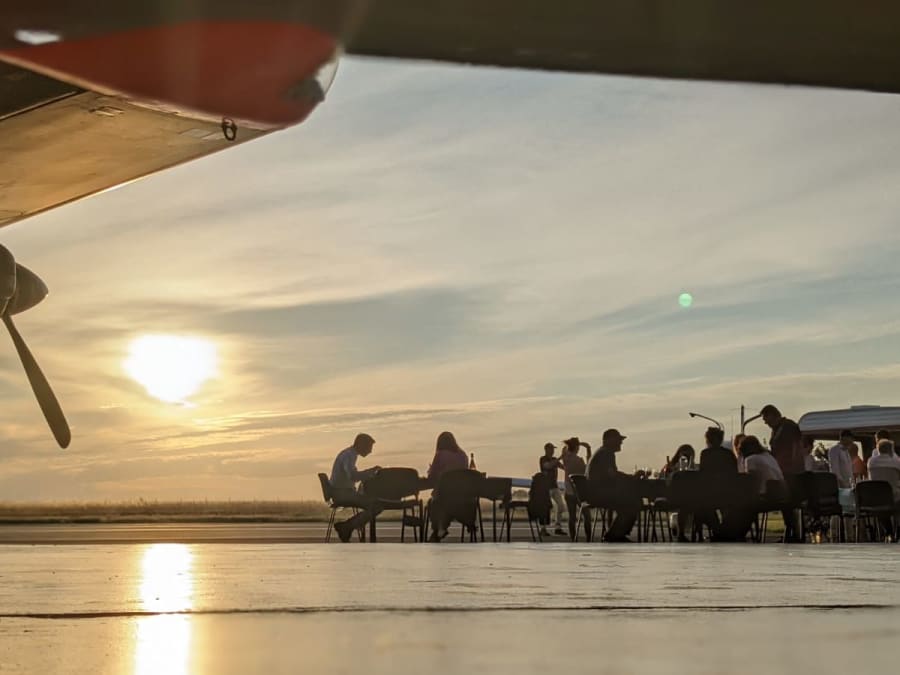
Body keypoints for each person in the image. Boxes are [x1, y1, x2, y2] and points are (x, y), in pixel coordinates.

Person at [587, 428, 639, 542]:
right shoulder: (606, 453)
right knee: (633, 502)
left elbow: (612, 475)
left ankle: (617, 534)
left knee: (629, 501)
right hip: (601, 494)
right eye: (618, 440)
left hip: (597, 492)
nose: (621, 442)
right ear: (609, 440)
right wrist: (632, 478)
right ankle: (614, 535)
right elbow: (613, 475)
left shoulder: (602, 452)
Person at [761, 404, 804, 541]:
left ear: (773, 415)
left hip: (790, 471)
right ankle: (790, 531)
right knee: (786, 504)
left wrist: (794, 469)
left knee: (789, 503)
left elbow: (795, 449)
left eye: (766, 419)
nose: (765, 423)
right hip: (781, 471)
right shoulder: (776, 429)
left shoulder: (789, 427)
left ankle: (793, 533)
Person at [329, 433, 382, 542]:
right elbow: (353, 476)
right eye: (369, 447)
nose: (370, 451)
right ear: (361, 445)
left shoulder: (349, 454)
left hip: (342, 492)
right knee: (377, 505)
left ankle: (348, 526)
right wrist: (370, 471)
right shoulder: (349, 456)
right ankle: (347, 526)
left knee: (374, 504)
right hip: (342, 494)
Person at [426, 431, 470, 541]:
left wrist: (431, 470)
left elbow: (432, 477)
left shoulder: (440, 455)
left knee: (434, 503)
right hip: (462, 498)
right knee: (445, 503)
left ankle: (439, 529)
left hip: (443, 497)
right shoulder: (463, 455)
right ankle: (441, 528)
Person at [697, 427, 737, 538]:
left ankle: (717, 530)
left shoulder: (705, 454)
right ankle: (722, 530)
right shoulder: (729, 454)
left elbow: (703, 474)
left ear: (709, 440)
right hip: (729, 494)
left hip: (711, 494)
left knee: (700, 506)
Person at [866, 439, 900, 540]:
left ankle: (888, 531)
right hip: (893, 495)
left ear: (878, 449)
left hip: (877, 497)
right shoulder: (896, 462)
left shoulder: (871, 462)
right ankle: (898, 528)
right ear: (891, 450)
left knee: (882, 505)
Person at [560, 437, 591, 541]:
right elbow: (588, 470)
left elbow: (564, 450)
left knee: (572, 517)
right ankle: (588, 538)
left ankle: (573, 538)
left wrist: (574, 444)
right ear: (577, 448)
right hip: (579, 493)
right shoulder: (579, 461)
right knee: (587, 516)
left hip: (568, 492)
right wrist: (588, 448)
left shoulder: (565, 459)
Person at [539, 443, 566, 536]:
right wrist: (561, 457)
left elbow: (564, 467)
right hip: (546, 487)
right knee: (545, 508)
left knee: (561, 506)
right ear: (546, 449)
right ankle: (543, 528)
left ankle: (558, 527)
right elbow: (548, 466)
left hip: (555, 486)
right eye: (551, 449)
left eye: (553, 449)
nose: (552, 451)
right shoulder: (543, 459)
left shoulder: (555, 460)